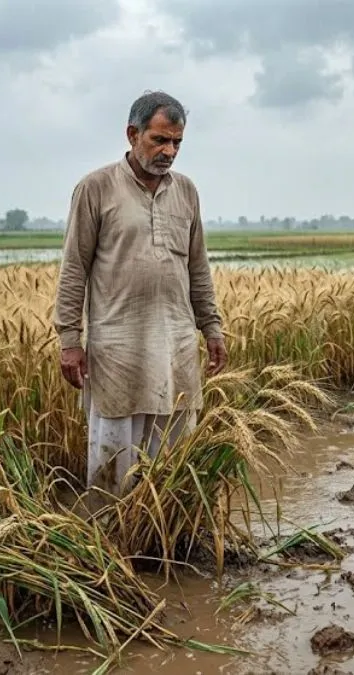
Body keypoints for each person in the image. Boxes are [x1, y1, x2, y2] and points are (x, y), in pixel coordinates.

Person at [53, 90, 228, 502]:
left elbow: (197, 268)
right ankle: (110, 541)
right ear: (133, 133)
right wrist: (69, 341)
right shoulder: (96, 188)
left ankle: (164, 540)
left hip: (177, 346)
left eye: (177, 143)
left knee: (172, 460)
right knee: (115, 463)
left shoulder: (186, 192)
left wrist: (212, 328)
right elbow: (74, 267)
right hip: (118, 349)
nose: (169, 151)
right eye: (160, 140)